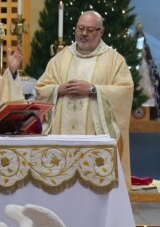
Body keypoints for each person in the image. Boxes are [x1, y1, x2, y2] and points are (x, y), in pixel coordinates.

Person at [34, 10, 133, 185]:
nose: (84, 34)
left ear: (100, 32)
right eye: (80, 28)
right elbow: (42, 87)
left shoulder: (114, 60)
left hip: (94, 141)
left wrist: (94, 90)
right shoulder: (61, 58)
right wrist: (59, 89)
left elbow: (124, 91)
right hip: (61, 140)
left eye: (90, 30)